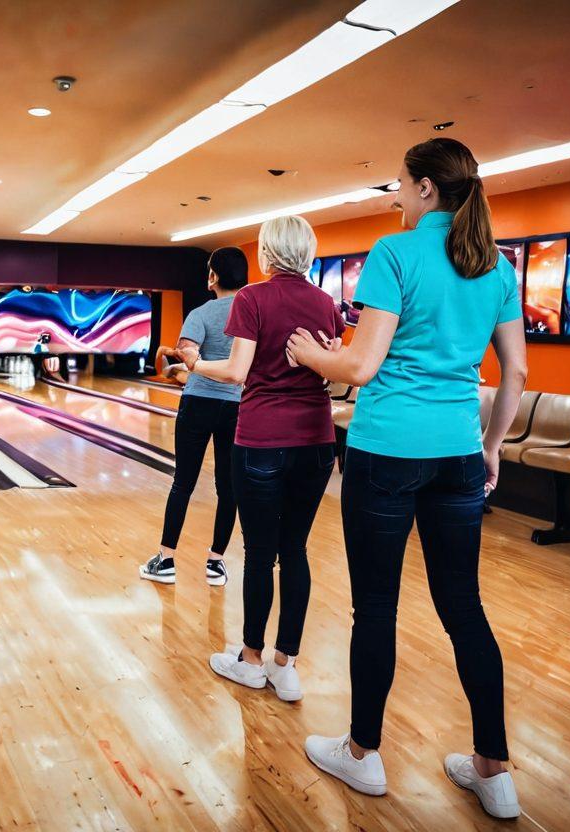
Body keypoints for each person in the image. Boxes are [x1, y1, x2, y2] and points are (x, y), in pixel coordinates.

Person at [285, 137, 528, 819]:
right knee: (464, 608)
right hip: (456, 451)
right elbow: (516, 372)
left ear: (425, 189)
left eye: (398, 185)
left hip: (387, 450)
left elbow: (361, 368)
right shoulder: (497, 265)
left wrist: (310, 354)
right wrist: (491, 445)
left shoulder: (395, 254)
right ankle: (494, 769)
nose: (394, 196)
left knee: (377, 607)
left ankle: (363, 755)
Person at [178, 217, 342, 703]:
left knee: (258, 552)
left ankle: (250, 659)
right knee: (295, 551)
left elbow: (235, 372)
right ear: (308, 253)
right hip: (316, 441)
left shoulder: (251, 298)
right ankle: (285, 666)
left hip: (263, 442)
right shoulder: (326, 304)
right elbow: (333, 376)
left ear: (268, 254)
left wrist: (193, 363)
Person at [140, 247, 249, 588]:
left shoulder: (200, 313)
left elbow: (188, 357)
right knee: (227, 487)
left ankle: (166, 559)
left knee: (183, 483)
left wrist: (187, 362)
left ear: (213, 276)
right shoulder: (252, 313)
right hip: (236, 405)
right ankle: (216, 563)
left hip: (199, 401)